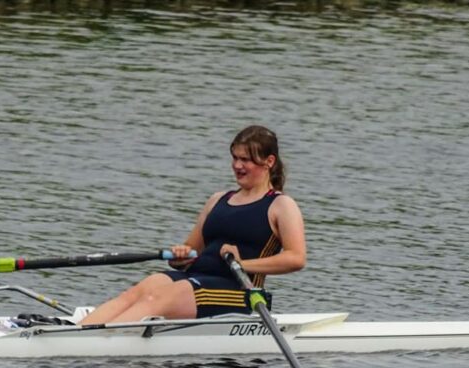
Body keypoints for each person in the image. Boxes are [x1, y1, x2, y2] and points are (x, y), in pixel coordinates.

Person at [79, 125, 306, 325]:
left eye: (245, 159)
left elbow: (296, 258)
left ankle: (100, 341)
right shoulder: (218, 199)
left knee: (160, 297)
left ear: (269, 161)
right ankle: (79, 333)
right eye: (235, 158)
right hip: (196, 278)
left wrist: (243, 264)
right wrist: (181, 257)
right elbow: (191, 252)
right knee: (145, 286)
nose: (237, 165)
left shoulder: (280, 205)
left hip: (239, 290)